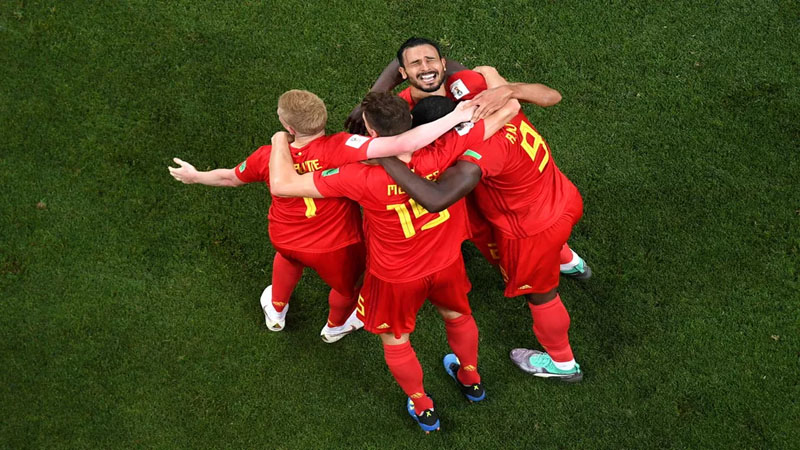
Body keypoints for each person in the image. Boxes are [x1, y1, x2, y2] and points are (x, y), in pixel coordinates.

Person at [269, 92, 519, 432]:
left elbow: (283, 185)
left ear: (372, 135)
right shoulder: (444, 151)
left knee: (396, 339)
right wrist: (469, 113)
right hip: (446, 263)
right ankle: (471, 378)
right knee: (458, 316)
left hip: (395, 277)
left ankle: (422, 405)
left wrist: (278, 140)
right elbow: (511, 109)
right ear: (411, 123)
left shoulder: (355, 176)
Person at [168, 89, 477, 342]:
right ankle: (335, 326)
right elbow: (401, 144)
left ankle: (276, 310)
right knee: (346, 289)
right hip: (334, 247)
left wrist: (196, 176)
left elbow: (229, 178)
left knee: (288, 259)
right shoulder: (344, 147)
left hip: (285, 237)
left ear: (289, 128)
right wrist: (458, 116)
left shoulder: (268, 156)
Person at [378, 69, 589, 381]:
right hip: (561, 195)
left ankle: (563, 363)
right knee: (553, 244)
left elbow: (437, 199)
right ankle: (570, 261)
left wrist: (384, 156)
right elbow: (448, 64)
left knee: (541, 295)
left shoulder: (474, 158)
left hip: (531, 232)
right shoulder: (492, 103)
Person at [346, 37, 590, 278]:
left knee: (533, 287)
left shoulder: (466, 153)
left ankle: (552, 260)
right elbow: (526, 103)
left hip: (520, 217)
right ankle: (566, 258)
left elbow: (436, 197)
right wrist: (499, 83)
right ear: (403, 71)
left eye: (431, 61)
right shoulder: (482, 92)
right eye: (416, 64)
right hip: (553, 191)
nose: (426, 67)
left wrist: (381, 152)